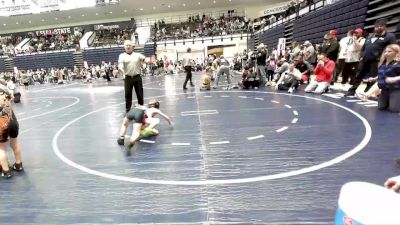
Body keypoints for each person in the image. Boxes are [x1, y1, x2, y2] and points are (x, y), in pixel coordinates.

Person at [346, 18, 397, 96]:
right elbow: (364, 47)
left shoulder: (390, 36)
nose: (378, 28)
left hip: (377, 61)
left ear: (385, 27)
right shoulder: (370, 36)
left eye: (381, 26)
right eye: (376, 26)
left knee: (372, 77)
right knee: (358, 75)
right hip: (364, 59)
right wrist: (361, 56)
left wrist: (386, 59)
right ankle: (352, 91)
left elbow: (393, 48)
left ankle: (368, 92)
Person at [118, 40, 148, 113]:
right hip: (128, 78)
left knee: (140, 94)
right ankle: (128, 111)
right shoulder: (122, 56)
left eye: (129, 45)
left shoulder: (137, 55)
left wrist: (148, 60)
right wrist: (121, 69)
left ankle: (141, 110)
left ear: (132, 47)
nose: (128, 46)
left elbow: (145, 59)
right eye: (126, 45)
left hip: (137, 77)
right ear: (124, 47)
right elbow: (120, 65)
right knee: (128, 95)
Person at [376, 44, 400, 113]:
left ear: (396, 52)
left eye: (390, 51)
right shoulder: (382, 64)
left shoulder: (398, 64)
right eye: (385, 51)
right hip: (384, 89)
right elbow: (383, 75)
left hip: (395, 89)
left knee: (394, 109)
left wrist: (396, 78)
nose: (386, 53)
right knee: (381, 107)